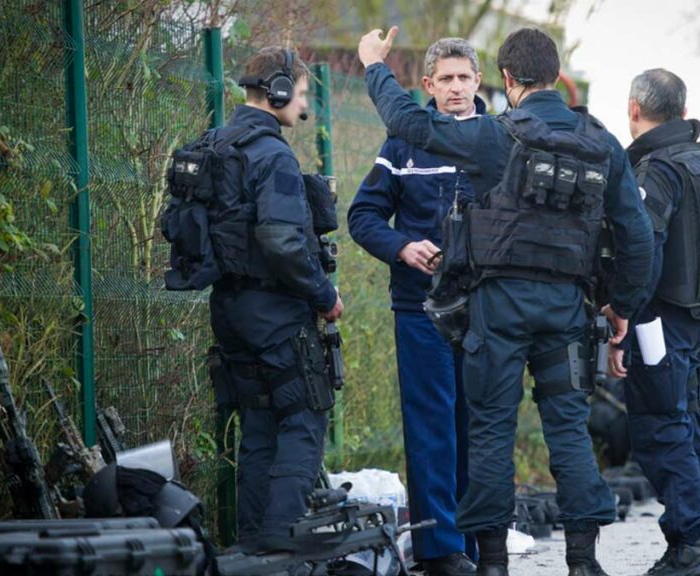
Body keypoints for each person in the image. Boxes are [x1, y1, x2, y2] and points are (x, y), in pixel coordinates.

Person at [358, 26, 655, 576]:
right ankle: (583, 561)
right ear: (555, 73)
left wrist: (376, 65)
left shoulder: (497, 135)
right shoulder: (602, 142)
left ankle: (491, 564)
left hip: (497, 310)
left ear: (506, 80)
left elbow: (408, 122)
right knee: (568, 427)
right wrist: (622, 308)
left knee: (490, 430)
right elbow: (637, 236)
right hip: (568, 311)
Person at [347, 37, 482, 576]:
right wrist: (402, 245)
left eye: (463, 78)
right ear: (427, 85)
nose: (454, 88)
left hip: (484, 311)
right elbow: (362, 216)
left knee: (478, 428)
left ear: (479, 82)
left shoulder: (497, 142)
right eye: (444, 79)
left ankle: (477, 543)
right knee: (432, 428)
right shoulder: (401, 145)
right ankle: (440, 550)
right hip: (419, 308)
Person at [205, 47, 343, 551]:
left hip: (230, 311)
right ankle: (281, 549)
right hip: (277, 314)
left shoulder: (216, 143)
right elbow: (283, 243)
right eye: (302, 94)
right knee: (304, 418)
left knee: (259, 426)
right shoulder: (273, 153)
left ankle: (251, 550)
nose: (303, 107)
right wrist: (324, 294)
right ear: (279, 91)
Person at [624, 68, 700, 576]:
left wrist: (622, 310)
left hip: (657, 321)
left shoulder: (657, 170)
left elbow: (645, 251)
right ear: (683, 112)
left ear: (633, 110)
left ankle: (686, 548)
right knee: (689, 425)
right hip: (694, 319)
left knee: (662, 428)